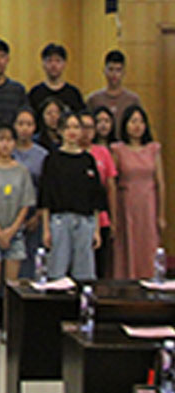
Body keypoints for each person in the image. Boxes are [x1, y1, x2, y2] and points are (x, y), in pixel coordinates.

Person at [0, 124, 35, 349]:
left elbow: (25, 204)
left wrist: (11, 230)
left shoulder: (22, 171)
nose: (5, 144)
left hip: (15, 233)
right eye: (1, 139)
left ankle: (9, 327)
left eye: (9, 140)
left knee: (12, 285)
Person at [39, 112, 105, 280]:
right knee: (57, 272)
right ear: (60, 131)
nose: (72, 131)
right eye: (67, 127)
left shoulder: (88, 160)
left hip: (85, 221)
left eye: (76, 127)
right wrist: (46, 229)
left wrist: (96, 230)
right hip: (60, 220)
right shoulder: (52, 159)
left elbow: (96, 197)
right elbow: (45, 196)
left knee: (85, 274)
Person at [111, 106, 166, 279]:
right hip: (126, 203)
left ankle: (149, 280)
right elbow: (112, 182)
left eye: (141, 122)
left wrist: (161, 215)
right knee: (127, 245)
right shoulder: (118, 149)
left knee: (148, 244)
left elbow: (160, 183)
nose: (137, 126)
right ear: (125, 125)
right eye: (133, 121)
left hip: (148, 204)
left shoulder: (153, 149)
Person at [78, 110, 117, 279]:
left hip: (100, 218)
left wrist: (113, 219)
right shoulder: (69, 154)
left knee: (99, 268)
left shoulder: (103, 152)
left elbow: (110, 187)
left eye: (90, 127)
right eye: (82, 127)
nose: (86, 132)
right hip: (77, 218)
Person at [13, 108, 51, 279]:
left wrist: (38, 215)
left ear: (35, 127)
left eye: (28, 124)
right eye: (21, 124)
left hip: (35, 211)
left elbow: (46, 188)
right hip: (10, 210)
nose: (24, 128)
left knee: (33, 258)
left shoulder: (42, 155)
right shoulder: (7, 151)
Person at [27, 43, 85, 134]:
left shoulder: (73, 94)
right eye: (49, 61)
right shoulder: (35, 93)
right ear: (43, 64)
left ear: (64, 64)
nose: (53, 65)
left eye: (58, 61)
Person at [86, 50, 143, 140]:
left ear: (124, 72)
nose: (114, 74)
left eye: (118, 70)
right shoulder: (94, 99)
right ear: (104, 71)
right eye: (111, 69)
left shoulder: (132, 99)